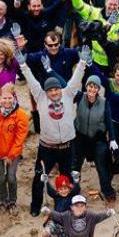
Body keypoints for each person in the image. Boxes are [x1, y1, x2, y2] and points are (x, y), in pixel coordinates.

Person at [17, 44, 89, 216]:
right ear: (46, 92)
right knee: (39, 178)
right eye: (50, 90)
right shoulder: (40, 96)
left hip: (67, 147)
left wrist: (83, 62)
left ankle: (72, 204)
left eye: (56, 89)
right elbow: (33, 82)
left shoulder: (68, 93)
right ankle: (36, 206)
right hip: (46, 148)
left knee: (69, 178)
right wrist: (23, 66)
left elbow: (76, 77)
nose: (54, 92)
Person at [0, 83, 29, 213]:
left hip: (13, 152)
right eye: (4, 98)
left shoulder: (21, 115)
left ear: (14, 98)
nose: (7, 101)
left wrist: (11, 155)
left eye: (10, 98)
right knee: (1, 177)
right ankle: (3, 201)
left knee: (11, 177)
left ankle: (12, 201)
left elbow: (20, 138)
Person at [72, 75, 119, 205]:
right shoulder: (79, 97)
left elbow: (109, 123)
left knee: (102, 167)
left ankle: (108, 192)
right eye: (90, 86)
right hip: (80, 137)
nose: (92, 89)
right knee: (75, 167)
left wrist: (113, 139)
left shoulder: (104, 103)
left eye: (95, 87)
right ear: (86, 87)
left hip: (98, 139)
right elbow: (66, 86)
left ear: (98, 89)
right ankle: (74, 191)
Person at [68, 0, 119, 72]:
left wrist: (107, 26)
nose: (112, 7)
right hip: (94, 60)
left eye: (115, 5)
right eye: (110, 4)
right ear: (105, 2)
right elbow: (79, 6)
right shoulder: (94, 12)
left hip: (112, 62)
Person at [39, 172, 81, 237]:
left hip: (68, 224)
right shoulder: (56, 196)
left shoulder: (72, 195)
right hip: (56, 222)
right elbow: (49, 191)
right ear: (57, 190)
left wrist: (76, 180)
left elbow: (77, 189)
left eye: (65, 188)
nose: (63, 191)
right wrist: (46, 181)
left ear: (69, 188)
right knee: (45, 233)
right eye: (61, 189)